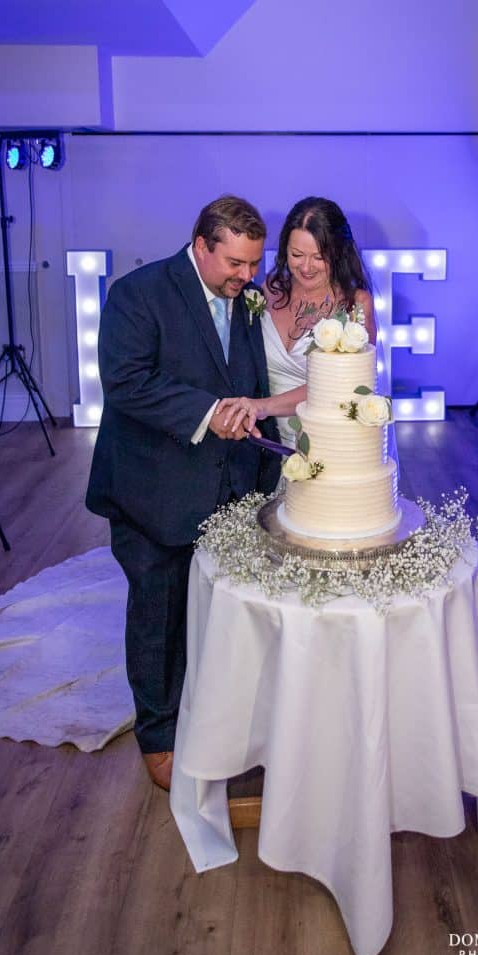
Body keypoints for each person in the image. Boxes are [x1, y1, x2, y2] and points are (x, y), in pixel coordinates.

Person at [86, 195, 281, 791]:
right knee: (158, 612)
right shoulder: (137, 293)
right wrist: (207, 412)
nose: (248, 278)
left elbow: (248, 382)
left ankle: (214, 713)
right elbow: (125, 381)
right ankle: (160, 735)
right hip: (152, 491)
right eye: (236, 264)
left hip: (226, 485)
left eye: (253, 264)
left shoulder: (243, 298)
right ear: (201, 246)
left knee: (214, 611)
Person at [218, 196, 379, 443]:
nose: (306, 267)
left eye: (318, 257)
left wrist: (262, 406)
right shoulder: (268, 291)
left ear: (338, 253)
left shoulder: (356, 305)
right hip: (265, 441)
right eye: (296, 254)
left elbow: (342, 388)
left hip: (325, 443)